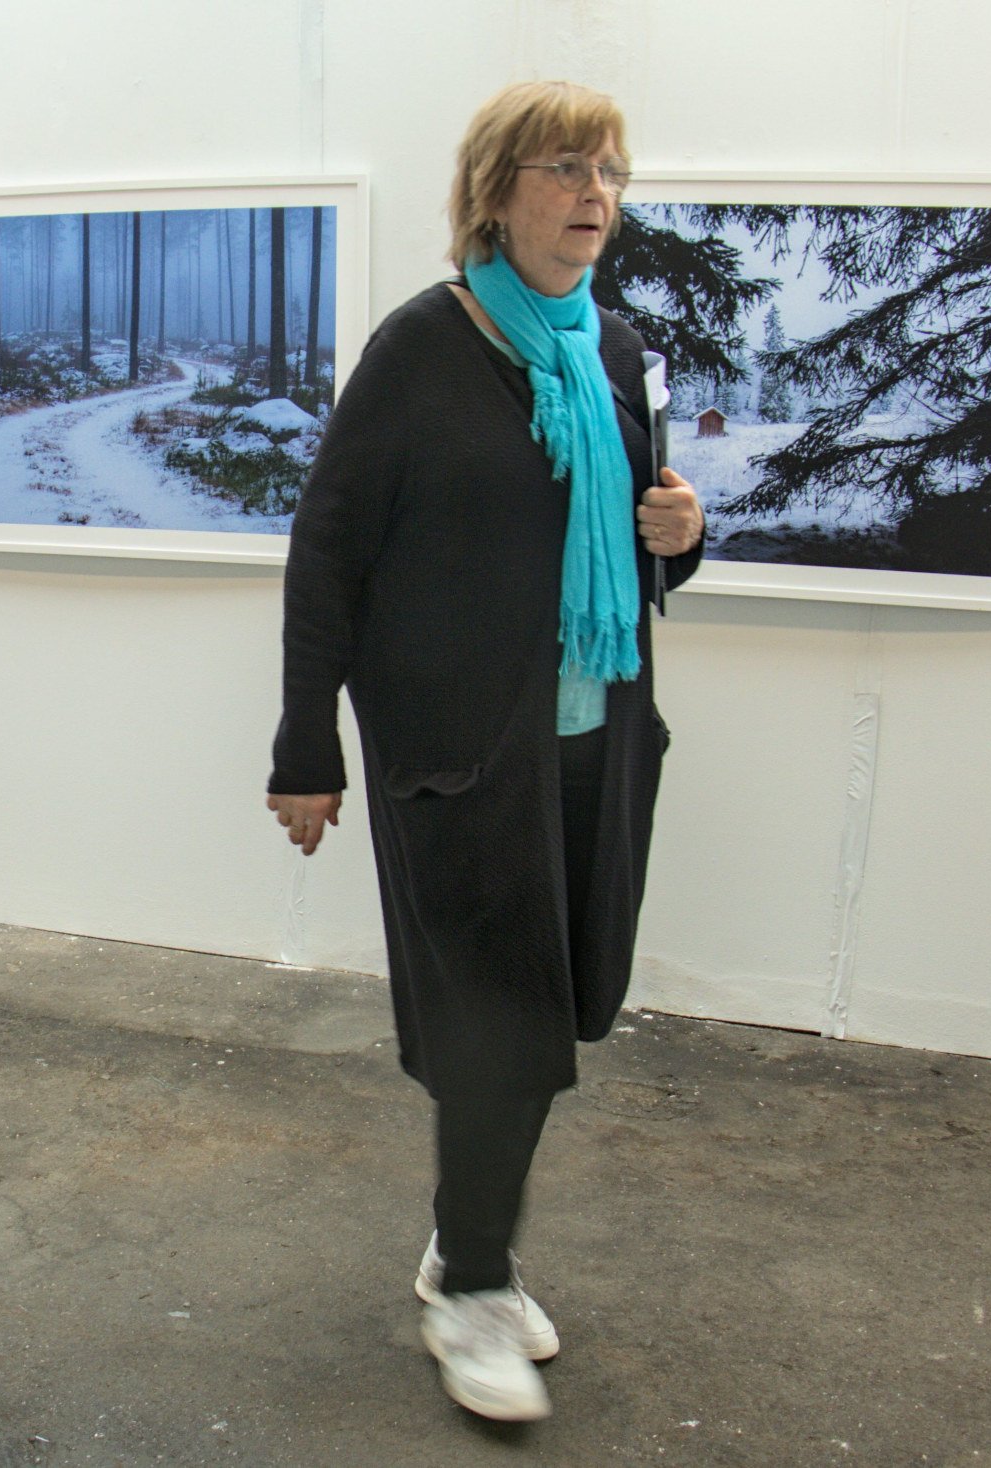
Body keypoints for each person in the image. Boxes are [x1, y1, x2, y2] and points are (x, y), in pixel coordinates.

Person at [266, 82, 703, 1421]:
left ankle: (467, 1233)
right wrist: (305, 746)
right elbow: (328, 551)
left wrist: (682, 533)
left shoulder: (612, 348)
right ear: (495, 190)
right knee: (495, 1024)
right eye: (566, 167)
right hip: (456, 753)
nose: (595, 196)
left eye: (610, 172)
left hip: (595, 737)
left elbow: (630, 541)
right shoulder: (423, 348)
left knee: (554, 1005)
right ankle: (471, 1288)